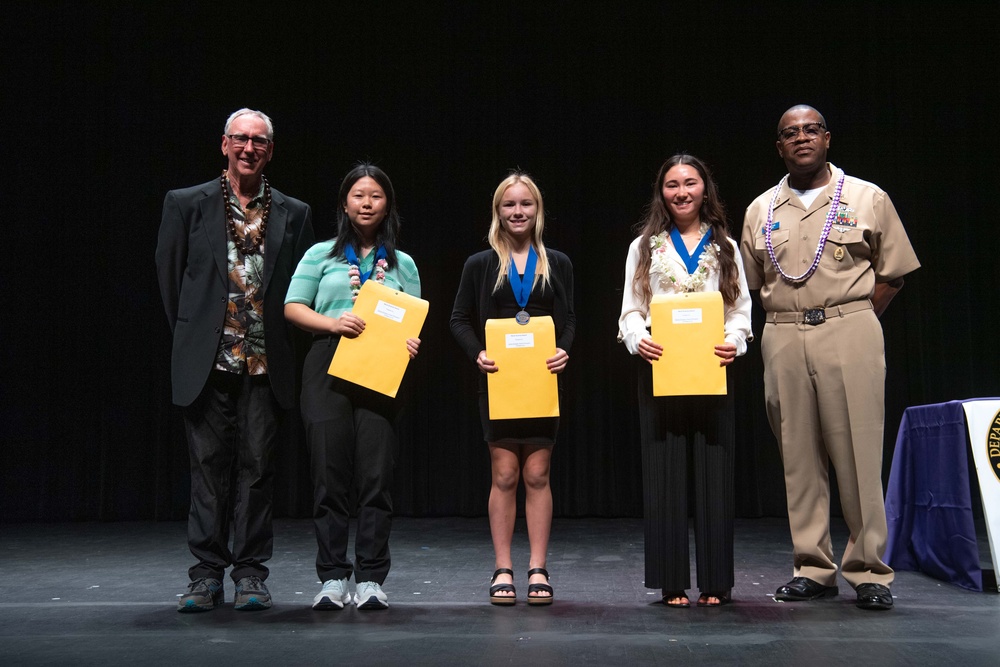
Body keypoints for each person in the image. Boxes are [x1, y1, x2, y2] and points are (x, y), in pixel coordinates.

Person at [740, 105, 920, 611]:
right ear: (779, 146)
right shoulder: (760, 209)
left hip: (848, 328)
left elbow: (893, 273)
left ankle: (868, 570)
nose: (801, 138)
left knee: (859, 454)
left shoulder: (867, 196)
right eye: (790, 133)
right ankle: (813, 567)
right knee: (797, 455)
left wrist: (855, 319)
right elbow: (756, 284)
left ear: (827, 139)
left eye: (811, 130)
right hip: (782, 333)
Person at [156, 108, 315, 612]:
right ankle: (206, 575)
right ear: (224, 144)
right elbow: (171, 278)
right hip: (208, 359)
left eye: (259, 142)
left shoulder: (294, 211)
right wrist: (193, 335)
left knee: (258, 470)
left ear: (270, 151)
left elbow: (301, 286)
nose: (249, 148)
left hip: (268, 364)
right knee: (207, 470)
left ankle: (250, 573)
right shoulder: (187, 203)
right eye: (240, 139)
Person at [284, 163, 421, 611]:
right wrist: (333, 322)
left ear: (388, 205)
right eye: (359, 195)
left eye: (376, 196)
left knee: (376, 476)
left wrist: (411, 342)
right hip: (327, 360)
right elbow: (292, 307)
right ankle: (331, 577)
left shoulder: (402, 263)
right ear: (345, 202)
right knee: (329, 475)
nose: (367, 203)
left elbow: (413, 316)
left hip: (381, 368)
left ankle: (371, 579)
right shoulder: (321, 254)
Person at [618, 154, 752, 608]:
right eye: (672, 184)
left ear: (705, 189)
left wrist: (735, 342)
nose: (681, 192)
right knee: (664, 473)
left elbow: (740, 311)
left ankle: (716, 581)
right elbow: (630, 311)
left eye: (690, 183)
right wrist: (639, 339)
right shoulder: (644, 247)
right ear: (662, 192)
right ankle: (671, 581)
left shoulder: (726, 246)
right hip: (661, 368)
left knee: (716, 471)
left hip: (713, 368)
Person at [450, 173, 575, 606]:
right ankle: (502, 566)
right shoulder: (479, 264)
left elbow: (570, 319)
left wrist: (563, 350)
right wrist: (476, 355)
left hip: (542, 382)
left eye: (526, 204)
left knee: (538, 474)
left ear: (537, 210)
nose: (517, 212)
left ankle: (538, 567)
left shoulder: (556, 262)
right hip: (499, 381)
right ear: (497, 211)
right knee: (504, 474)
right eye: (509, 205)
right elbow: (459, 319)